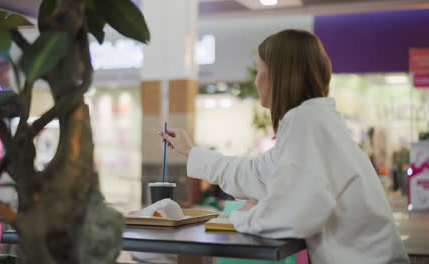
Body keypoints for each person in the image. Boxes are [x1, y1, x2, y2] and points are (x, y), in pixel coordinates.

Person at [159, 29, 408, 263]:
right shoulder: (312, 120)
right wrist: (190, 152)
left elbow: (296, 213)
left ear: (278, 74)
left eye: (259, 70)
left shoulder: (305, 121)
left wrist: (240, 217)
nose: (256, 82)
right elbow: (257, 172)